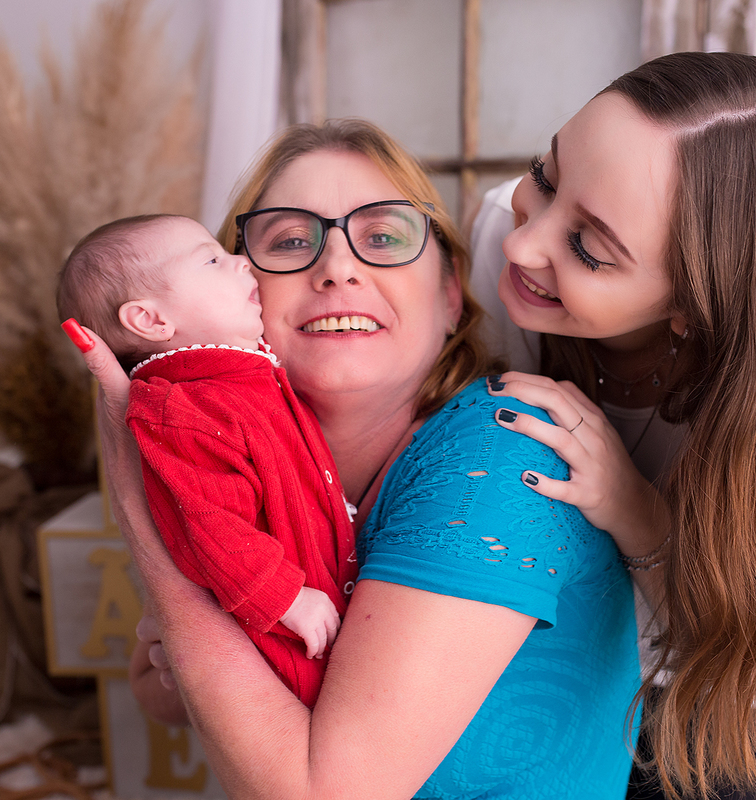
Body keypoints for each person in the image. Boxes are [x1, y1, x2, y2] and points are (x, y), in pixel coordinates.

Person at [68, 118, 644, 799]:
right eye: (290, 241)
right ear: (234, 296)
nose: (338, 268)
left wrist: (144, 516)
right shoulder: (231, 449)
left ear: (449, 295)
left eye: (384, 237)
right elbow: (155, 691)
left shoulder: (500, 453)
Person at [469, 51, 756, 799]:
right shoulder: (499, 239)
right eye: (545, 175)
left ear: (693, 305)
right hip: (576, 637)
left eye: (589, 249)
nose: (521, 244)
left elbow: (737, 637)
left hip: (750, 674)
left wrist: (628, 503)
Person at [56, 214, 357, 707]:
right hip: (286, 638)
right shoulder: (181, 410)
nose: (241, 263)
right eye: (212, 261)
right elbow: (211, 525)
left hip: (324, 604)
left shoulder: (243, 375)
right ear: (150, 320)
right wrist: (284, 597)